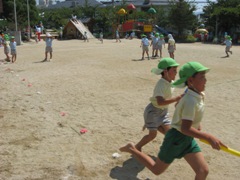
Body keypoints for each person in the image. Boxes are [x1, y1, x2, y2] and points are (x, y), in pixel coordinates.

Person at [120, 62, 227, 179]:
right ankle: (132, 148)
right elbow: (185, 128)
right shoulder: (190, 100)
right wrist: (208, 137)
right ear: (190, 81)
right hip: (176, 139)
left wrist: (196, 123)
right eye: (202, 77)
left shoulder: (197, 94)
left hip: (187, 139)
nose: (205, 80)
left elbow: (179, 107)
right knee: (156, 169)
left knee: (203, 171)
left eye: (204, 77)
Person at [135, 58, 182, 152]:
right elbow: (160, 102)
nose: (176, 73)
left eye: (176, 70)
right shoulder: (160, 84)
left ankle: (168, 148)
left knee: (170, 133)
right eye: (174, 70)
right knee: (152, 135)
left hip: (163, 112)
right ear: (165, 71)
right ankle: (137, 147)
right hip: (153, 112)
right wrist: (176, 99)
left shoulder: (171, 82)